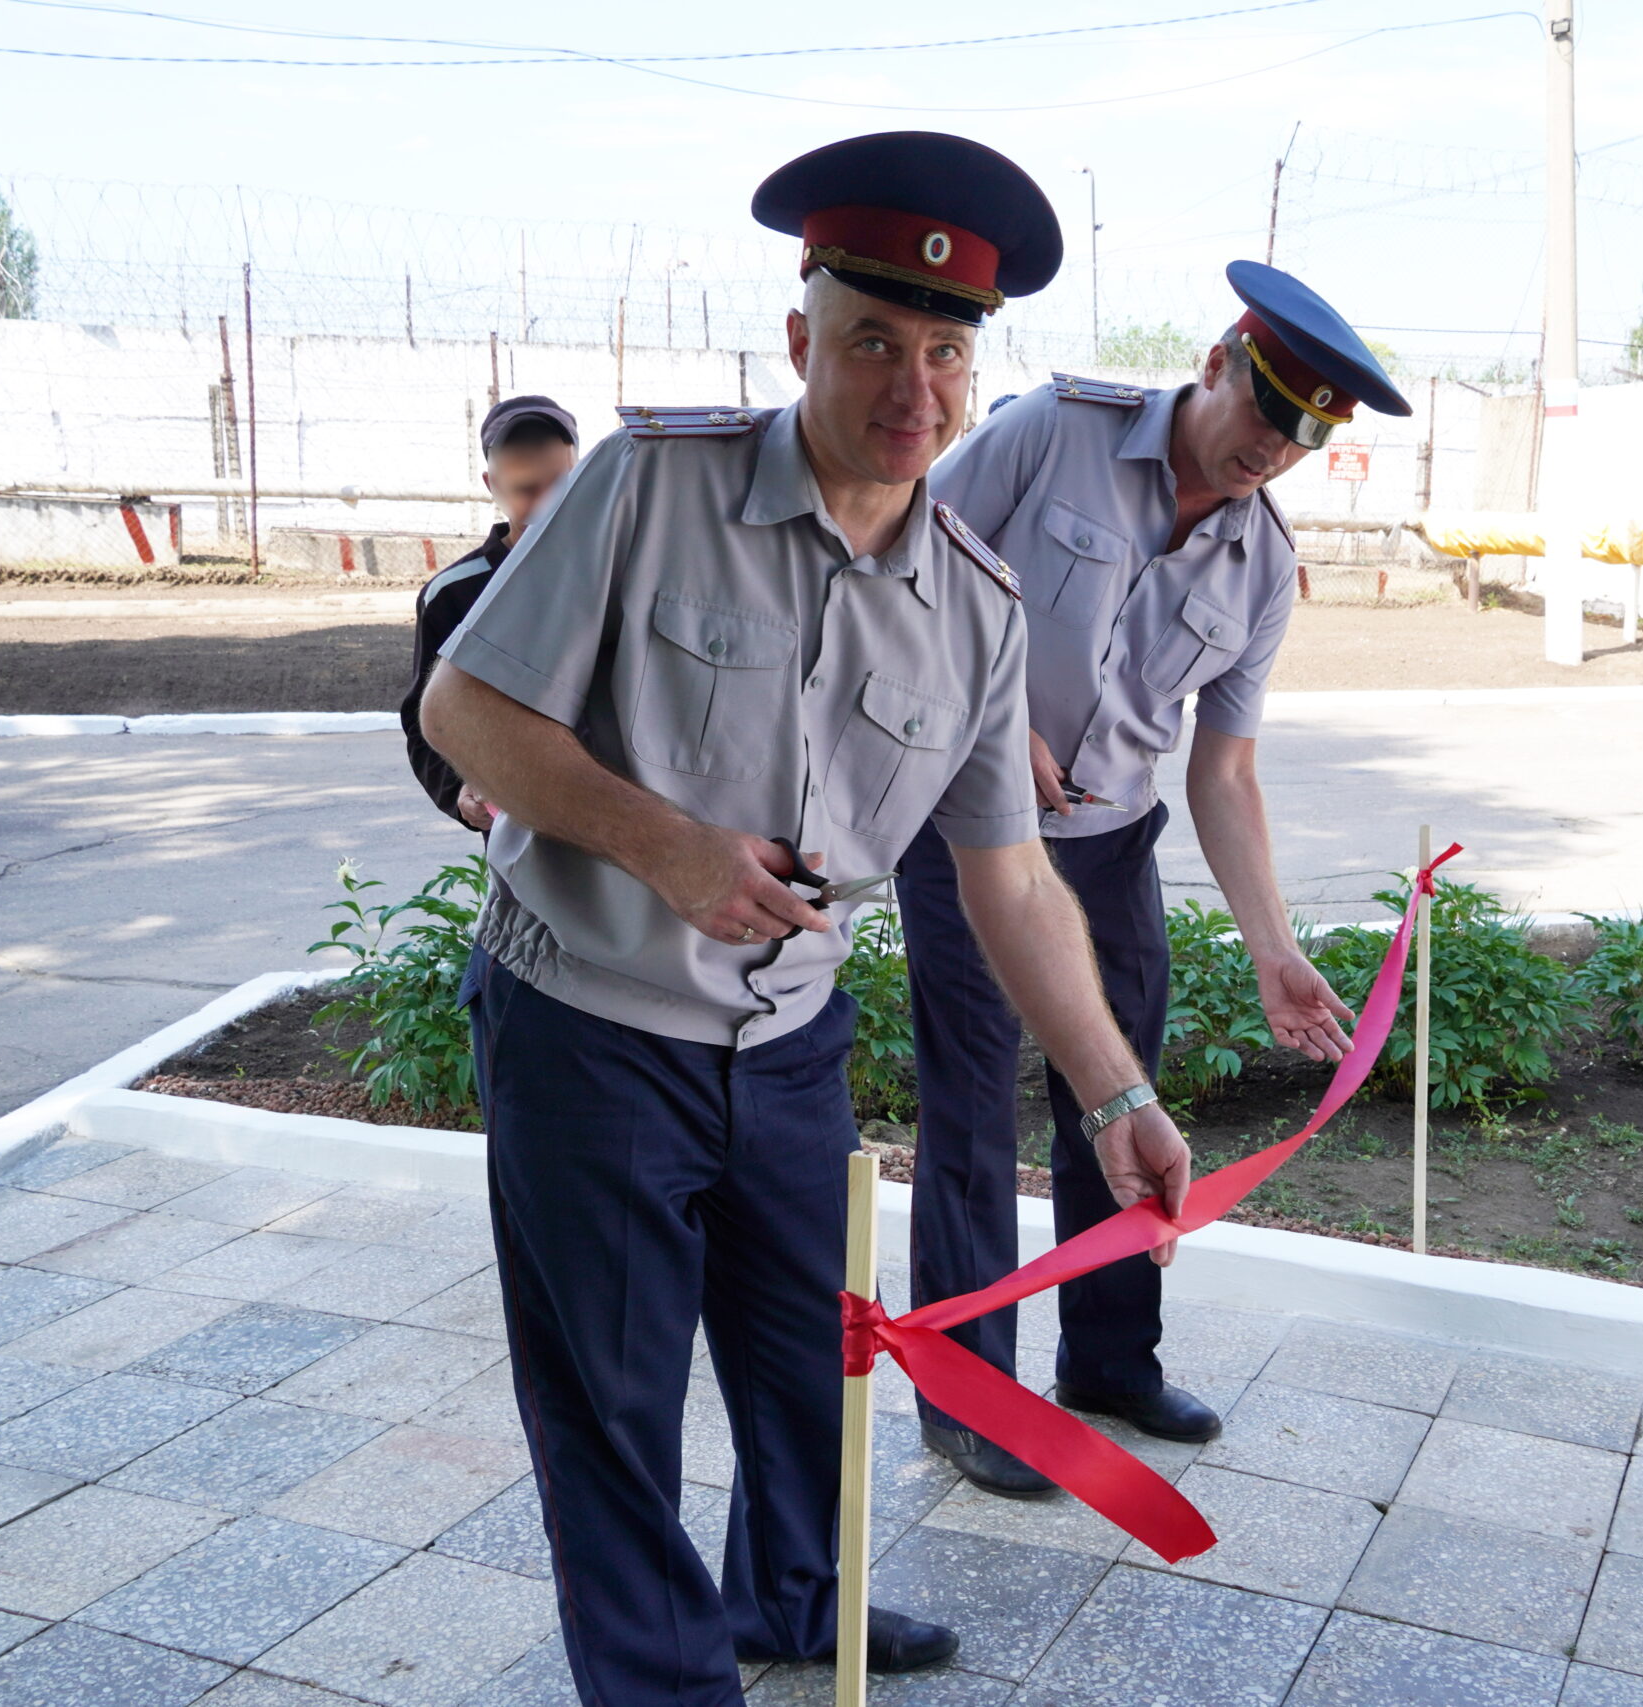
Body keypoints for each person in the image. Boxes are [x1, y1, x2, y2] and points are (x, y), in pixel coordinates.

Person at [416, 132, 1193, 1707]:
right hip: (593, 1025)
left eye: (946, 353)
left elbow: (1012, 875)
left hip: (784, 1047)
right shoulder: (652, 482)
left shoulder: (977, 601)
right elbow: (466, 706)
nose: (913, 387)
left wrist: (1115, 1095)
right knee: (613, 1410)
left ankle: (794, 1596)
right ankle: (665, 1682)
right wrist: (667, 847)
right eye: (874, 344)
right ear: (800, 342)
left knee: (806, 1374)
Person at [898, 261, 1411, 1498]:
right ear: (1219, 364)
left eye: (1300, 445)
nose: (1269, 457)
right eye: (1262, 421)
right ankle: (969, 1398)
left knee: (1120, 1101)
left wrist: (1274, 946)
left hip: (1110, 845)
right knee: (970, 1106)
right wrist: (986, 714)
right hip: (965, 831)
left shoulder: (1260, 566)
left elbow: (1223, 773)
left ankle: (1109, 1361)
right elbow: (903, 560)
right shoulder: (1051, 435)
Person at [399, 394, 580, 830]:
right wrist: (458, 791)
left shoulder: (621, 577)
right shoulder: (452, 595)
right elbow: (427, 722)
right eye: (525, 489)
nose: (546, 502)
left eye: (560, 483)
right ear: (490, 484)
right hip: (520, 833)